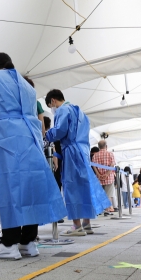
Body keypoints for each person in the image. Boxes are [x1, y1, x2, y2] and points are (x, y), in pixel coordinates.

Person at [0, 53, 66, 260]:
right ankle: (28, 241)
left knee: (8, 189)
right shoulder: (27, 86)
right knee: (30, 188)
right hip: (30, 139)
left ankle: (9, 243)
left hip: (5, 137)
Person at [45, 89, 110, 236]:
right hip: (83, 152)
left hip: (71, 152)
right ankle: (87, 223)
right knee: (84, 187)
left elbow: (60, 131)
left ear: (53, 101)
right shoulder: (80, 112)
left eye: (50, 106)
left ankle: (76, 226)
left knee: (71, 187)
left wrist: (47, 135)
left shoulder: (63, 110)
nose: (52, 109)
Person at [92, 140, 117, 214]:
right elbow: (112, 165)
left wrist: (99, 174)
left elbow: (94, 166)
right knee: (109, 194)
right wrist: (107, 174)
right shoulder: (110, 154)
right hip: (109, 177)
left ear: (98, 147)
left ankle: (101, 209)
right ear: (106, 146)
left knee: (101, 194)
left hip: (99, 178)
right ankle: (107, 210)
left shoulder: (95, 155)